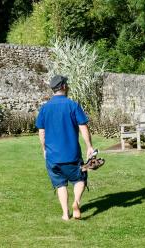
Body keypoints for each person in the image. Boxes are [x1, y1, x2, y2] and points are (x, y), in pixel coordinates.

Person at [35, 75, 95, 221]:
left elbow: (41, 132)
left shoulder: (44, 108)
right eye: (66, 84)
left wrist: (44, 149)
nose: (67, 86)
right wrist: (89, 146)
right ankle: (76, 202)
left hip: (53, 156)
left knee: (60, 184)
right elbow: (83, 127)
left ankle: (65, 214)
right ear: (63, 87)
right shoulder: (73, 105)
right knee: (80, 178)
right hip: (72, 154)